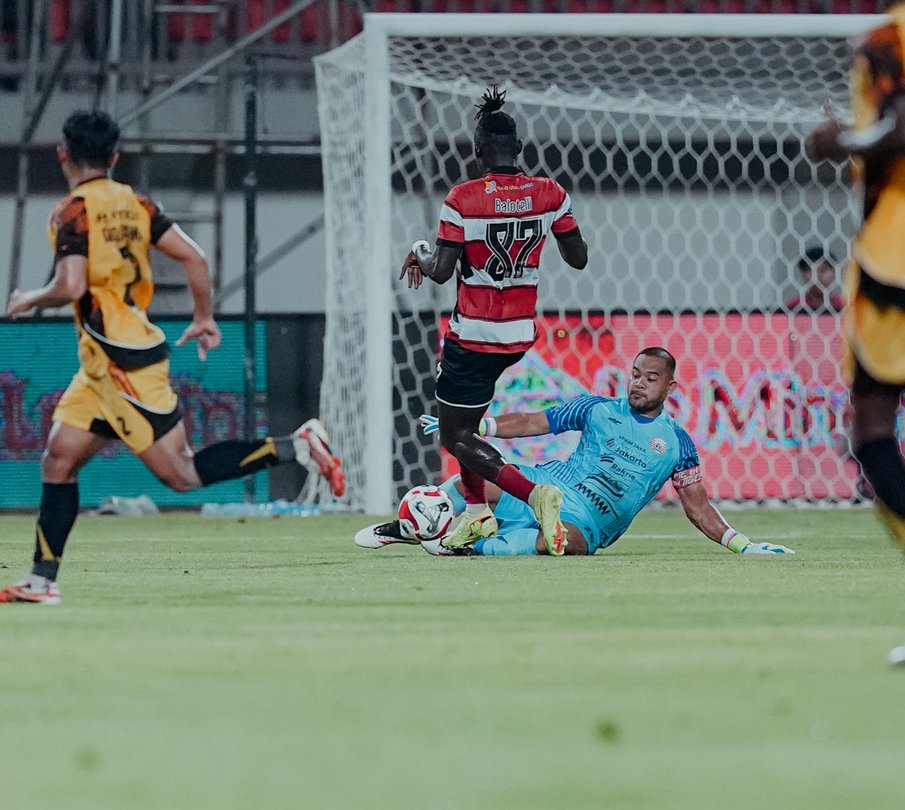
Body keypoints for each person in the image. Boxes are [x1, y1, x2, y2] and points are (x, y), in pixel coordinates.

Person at [0, 110, 344, 606]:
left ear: (62, 154)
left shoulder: (71, 212)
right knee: (58, 459)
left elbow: (71, 285)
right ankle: (40, 581)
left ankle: (297, 446)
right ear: (114, 157)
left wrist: (31, 297)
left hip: (123, 364)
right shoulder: (137, 204)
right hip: (103, 365)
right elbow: (195, 258)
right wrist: (203, 317)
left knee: (181, 475)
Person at [807, 0, 905, 666]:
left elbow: (904, 129)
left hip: (904, 261)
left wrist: (841, 143)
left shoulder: (888, 38)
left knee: (870, 429)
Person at [355, 348, 794, 560]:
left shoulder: (677, 444)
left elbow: (697, 506)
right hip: (550, 485)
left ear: (670, 388)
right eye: (636, 374)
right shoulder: (598, 408)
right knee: (474, 473)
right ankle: (411, 524)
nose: (639, 383)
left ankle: (470, 548)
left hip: (586, 520)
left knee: (568, 545)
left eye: (651, 378)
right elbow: (533, 423)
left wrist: (744, 545)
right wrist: (478, 427)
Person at [398, 86, 589, 556]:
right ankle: (477, 515)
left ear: (478, 151)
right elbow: (579, 258)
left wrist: (420, 252)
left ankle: (533, 495)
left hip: (474, 334)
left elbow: (440, 271)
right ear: (518, 148)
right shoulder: (550, 193)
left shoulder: (463, 198)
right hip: (519, 333)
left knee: (454, 435)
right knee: (469, 420)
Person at [784, 245, 844, 314]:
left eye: (823, 270)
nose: (817, 276)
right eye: (811, 271)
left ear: (834, 273)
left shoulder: (844, 306)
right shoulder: (794, 307)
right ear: (803, 275)